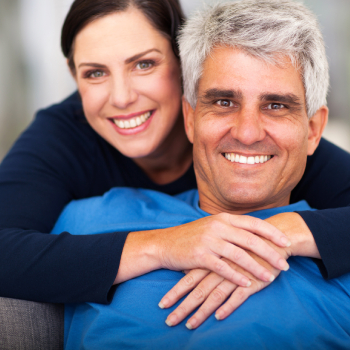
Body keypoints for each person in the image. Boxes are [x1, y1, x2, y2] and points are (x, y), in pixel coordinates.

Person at [0, 0, 350, 341]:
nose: (122, 97)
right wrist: (163, 245)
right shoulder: (65, 144)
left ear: (181, 64)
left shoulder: (281, 142)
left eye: (144, 64)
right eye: (95, 72)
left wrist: (278, 234)